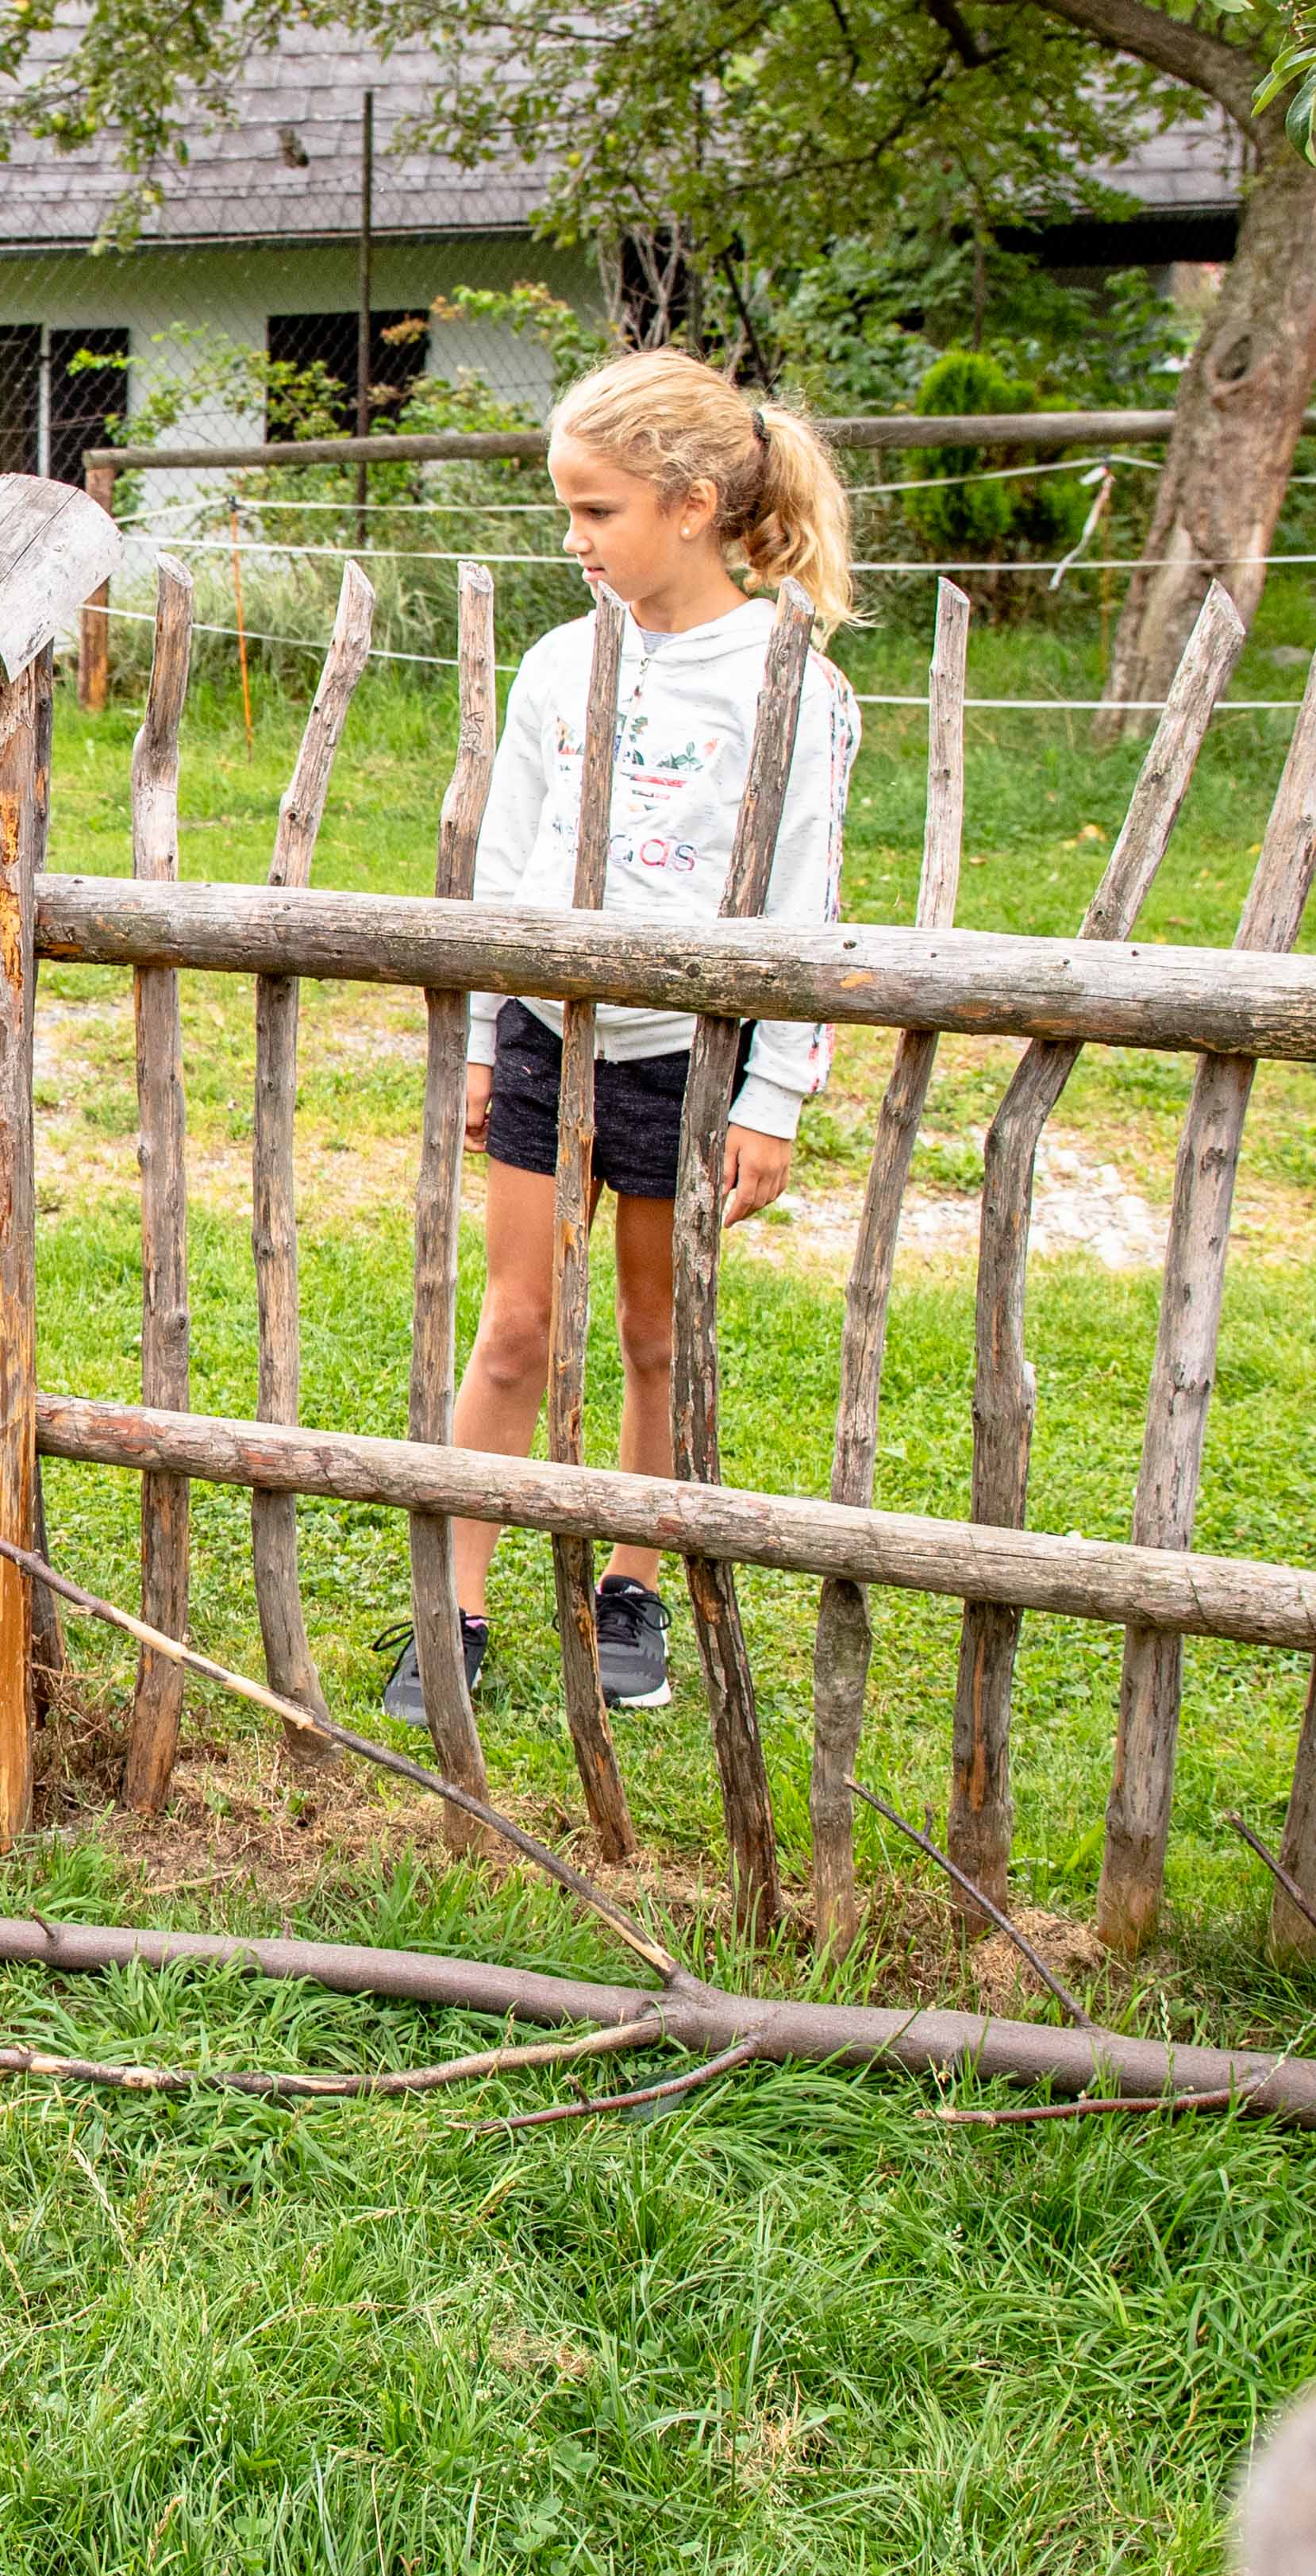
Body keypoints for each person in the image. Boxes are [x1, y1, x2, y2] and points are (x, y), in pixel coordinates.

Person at [384, 348, 861, 1726]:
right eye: (568, 512)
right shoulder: (557, 665)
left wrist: (772, 1094)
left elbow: (801, 901)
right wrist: (484, 1034)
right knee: (515, 1326)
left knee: (655, 1334)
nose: (575, 540)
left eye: (596, 512)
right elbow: (508, 864)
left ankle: (633, 1581)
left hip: (684, 1057)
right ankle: (455, 1599)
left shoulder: (787, 681)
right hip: (545, 1035)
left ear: (694, 505)